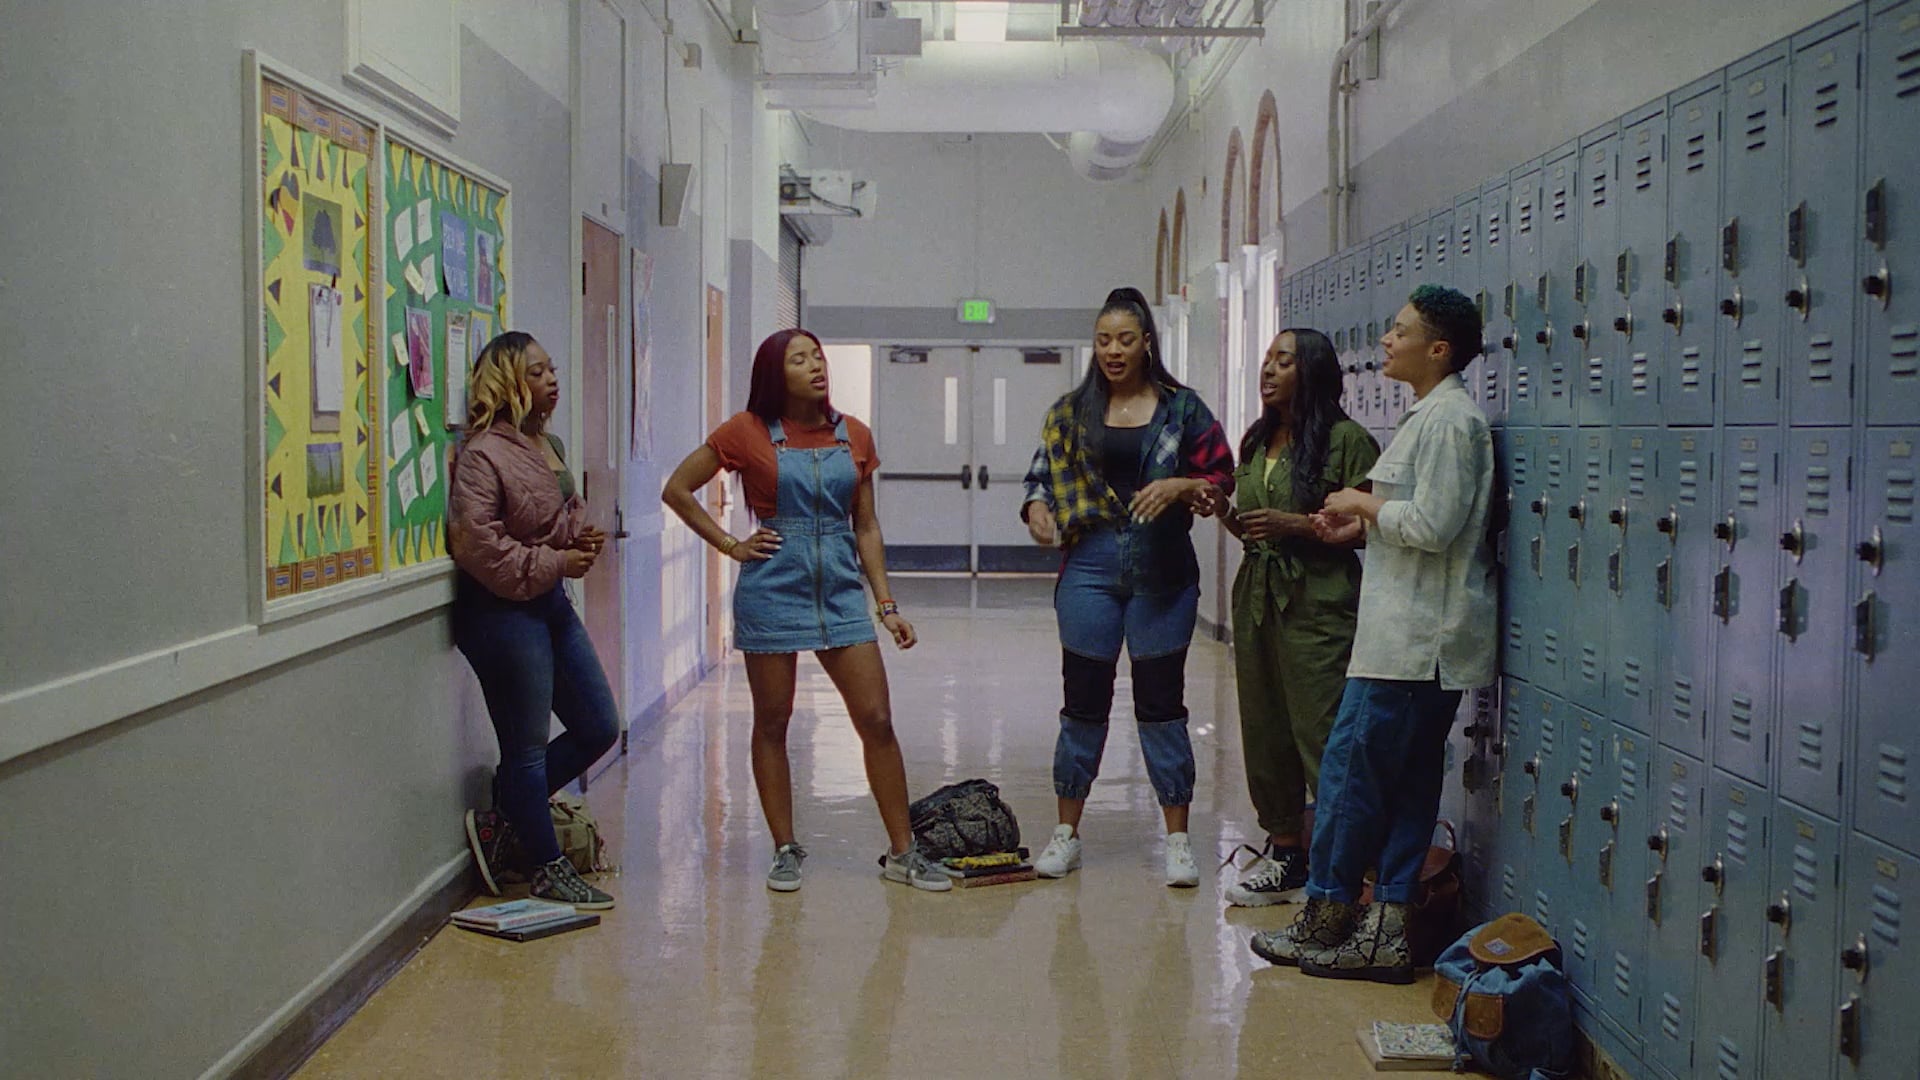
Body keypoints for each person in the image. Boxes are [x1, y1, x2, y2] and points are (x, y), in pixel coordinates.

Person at [1250, 285, 1497, 983]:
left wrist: (1361, 501)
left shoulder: (1450, 422)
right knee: (1407, 786)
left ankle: (1328, 912)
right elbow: (1415, 520)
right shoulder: (1432, 416)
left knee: (1349, 777)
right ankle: (1386, 928)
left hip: (1414, 644)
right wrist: (1359, 527)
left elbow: (1435, 526)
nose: (1386, 340)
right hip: (1408, 638)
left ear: (1437, 349)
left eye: (1400, 331)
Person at [661, 328, 950, 893]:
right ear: (776, 374)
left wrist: (886, 605)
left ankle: (903, 852)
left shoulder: (854, 434)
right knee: (773, 722)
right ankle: (785, 848)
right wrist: (731, 545)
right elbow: (677, 489)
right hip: (772, 589)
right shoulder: (744, 432)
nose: (816, 365)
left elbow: (866, 526)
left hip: (840, 592)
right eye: (799, 359)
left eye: (817, 356)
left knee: (877, 720)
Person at [1021, 287, 1236, 887]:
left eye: (1124, 340)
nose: (1113, 351)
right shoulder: (1070, 412)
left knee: (1161, 704)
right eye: (1103, 340)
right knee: (1083, 703)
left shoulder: (1182, 409)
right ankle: (1066, 834)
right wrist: (1036, 509)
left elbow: (1222, 476)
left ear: (1146, 343)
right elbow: (1040, 477)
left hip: (1161, 570)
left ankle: (1177, 841)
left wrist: (1183, 486)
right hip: (1089, 568)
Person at [1205, 328, 1378, 907]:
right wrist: (1223, 510)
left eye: (1284, 361)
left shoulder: (1347, 441)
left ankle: (1343, 868)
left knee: (1322, 732)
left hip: (1318, 602)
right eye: (1267, 360)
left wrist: (1298, 526)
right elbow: (1253, 529)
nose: (1269, 370)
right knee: (1265, 726)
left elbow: (1368, 530)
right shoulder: (1257, 441)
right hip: (1257, 597)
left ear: (1313, 372)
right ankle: (1286, 854)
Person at [450, 331, 619, 911]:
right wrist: (558, 561)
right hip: (500, 613)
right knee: (526, 747)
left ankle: (504, 812)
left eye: (553, 369)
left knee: (599, 724)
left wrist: (577, 540)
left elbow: (550, 522)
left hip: (548, 603)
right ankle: (546, 868)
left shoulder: (549, 443)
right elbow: (479, 546)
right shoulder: (482, 454)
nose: (552, 379)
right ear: (507, 381)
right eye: (538, 371)